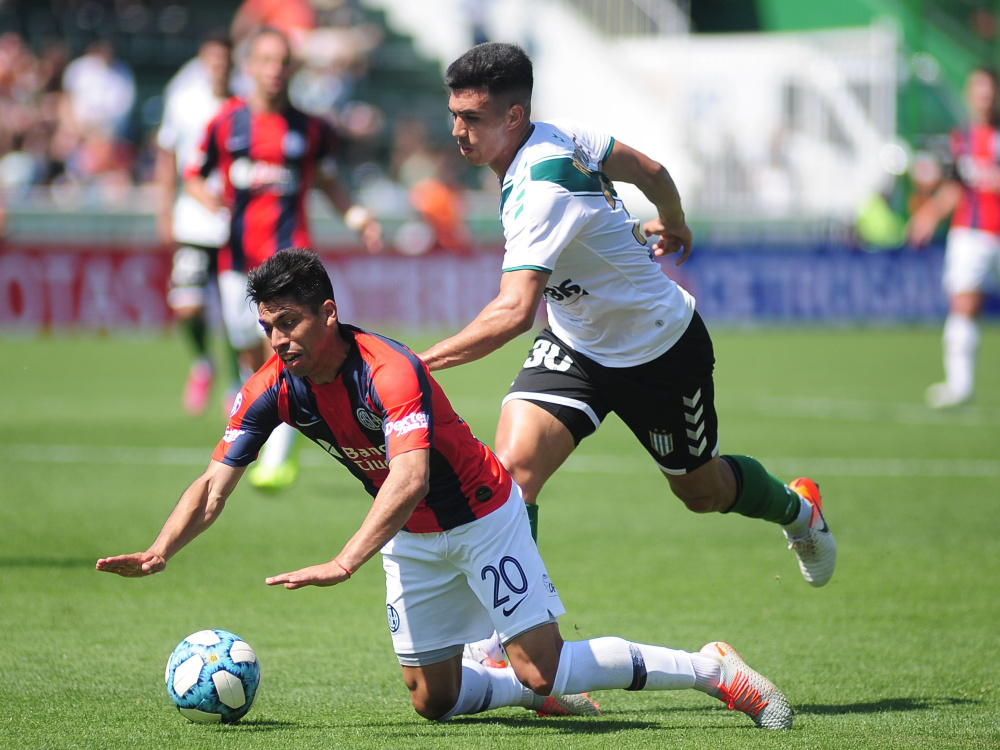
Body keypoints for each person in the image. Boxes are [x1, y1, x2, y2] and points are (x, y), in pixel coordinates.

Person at [96, 247, 794, 731]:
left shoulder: (389, 371)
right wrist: (162, 548)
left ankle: (712, 671)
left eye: (289, 323)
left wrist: (345, 560)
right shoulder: (273, 387)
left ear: (328, 314)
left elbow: (410, 475)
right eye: (267, 327)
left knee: (543, 668)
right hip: (412, 534)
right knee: (433, 699)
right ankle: (528, 696)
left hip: (483, 514)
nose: (276, 340)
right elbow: (214, 485)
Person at [418, 42, 836, 588]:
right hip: (576, 345)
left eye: (471, 118)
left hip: (658, 349)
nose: (457, 130)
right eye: (454, 115)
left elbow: (516, 310)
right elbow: (650, 169)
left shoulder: (540, 189)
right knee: (513, 475)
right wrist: (674, 220)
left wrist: (416, 363)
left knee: (701, 493)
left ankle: (799, 511)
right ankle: (515, 637)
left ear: (514, 115)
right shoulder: (559, 132)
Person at [185, 26, 382, 489]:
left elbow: (330, 181)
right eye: (266, 61)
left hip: (290, 260)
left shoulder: (311, 128)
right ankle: (270, 416)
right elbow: (194, 173)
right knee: (249, 347)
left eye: (283, 62)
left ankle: (279, 453)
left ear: (292, 69)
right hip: (237, 260)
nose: (275, 71)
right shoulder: (226, 122)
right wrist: (207, 198)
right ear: (250, 66)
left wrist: (355, 216)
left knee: (295, 348)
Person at [907, 65, 1000, 408]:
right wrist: (929, 215)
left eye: (989, 90)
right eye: (978, 90)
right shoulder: (961, 138)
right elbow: (956, 188)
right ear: (969, 95)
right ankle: (960, 386)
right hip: (971, 235)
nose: (984, 97)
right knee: (963, 304)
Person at [155, 30, 237, 416]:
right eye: (213, 61)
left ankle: (236, 381)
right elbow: (167, 159)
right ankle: (204, 361)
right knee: (187, 305)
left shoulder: (244, 105)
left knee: (238, 310)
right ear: (204, 63)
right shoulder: (184, 102)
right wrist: (164, 212)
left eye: (225, 61)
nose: (219, 68)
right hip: (192, 222)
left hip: (234, 224)